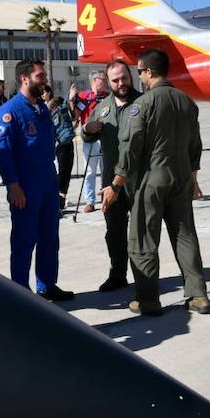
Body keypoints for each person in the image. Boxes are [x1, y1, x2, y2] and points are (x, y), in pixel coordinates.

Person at [101, 49, 209, 316]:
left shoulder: (144, 104)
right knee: (185, 235)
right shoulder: (187, 102)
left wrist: (116, 184)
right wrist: (193, 178)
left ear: (149, 72)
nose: (139, 76)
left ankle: (148, 300)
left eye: (139, 71)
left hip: (152, 179)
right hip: (182, 177)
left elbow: (131, 147)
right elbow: (195, 144)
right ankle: (198, 295)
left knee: (142, 238)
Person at [0, 60, 73, 301]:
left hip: (47, 180)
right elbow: (3, 151)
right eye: (40, 76)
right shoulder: (11, 111)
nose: (45, 79)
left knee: (50, 235)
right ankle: (20, 292)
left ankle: (47, 284)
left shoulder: (41, 108)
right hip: (25, 184)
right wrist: (13, 184)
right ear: (24, 79)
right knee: (24, 238)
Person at [84, 61, 144, 292]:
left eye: (124, 78)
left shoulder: (144, 102)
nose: (121, 83)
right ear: (108, 82)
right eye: (115, 80)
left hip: (138, 181)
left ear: (131, 77)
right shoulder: (103, 107)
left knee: (140, 233)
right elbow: (89, 133)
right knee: (114, 232)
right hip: (110, 182)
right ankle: (117, 274)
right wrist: (87, 130)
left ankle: (144, 278)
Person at [69, 70, 109, 212]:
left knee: (106, 169)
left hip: (105, 137)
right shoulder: (84, 96)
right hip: (90, 136)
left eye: (105, 79)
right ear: (94, 80)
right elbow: (76, 115)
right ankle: (90, 200)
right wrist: (71, 100)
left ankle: (106, 195)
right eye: (102, 79)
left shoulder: (108, 96)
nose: (104, 82)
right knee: (90, 170)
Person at [44, 85, 76, 214]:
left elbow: (71, 115)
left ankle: (61, 199)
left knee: (65, 171)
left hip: (64, 142)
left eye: (44, 92)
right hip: (57, 144)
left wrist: (71, 100)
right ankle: (56, 199)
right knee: (61, 172)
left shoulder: (57, 107)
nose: (42, 95)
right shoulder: (45, 109)